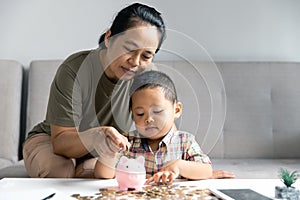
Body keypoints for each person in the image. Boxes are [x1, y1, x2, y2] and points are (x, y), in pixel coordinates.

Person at [23, 3, 166, 178]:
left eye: (146, 56)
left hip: (102, 151)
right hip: (53, 142)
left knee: (103, 174)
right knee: (59, 171)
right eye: (129, 49)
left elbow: (163, 127)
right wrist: (97, 135)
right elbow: (60, 142)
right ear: (109, 38)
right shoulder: (75, 69)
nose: (135, 62)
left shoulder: (148, 77)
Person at [94, 70, 214, 183]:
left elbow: (206, 170)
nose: (148, 119)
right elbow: (102, 174)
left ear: (176, 110)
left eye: (157, 111)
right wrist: (110, 152)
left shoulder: (185, 141)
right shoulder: (128, 142)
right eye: (140, 114)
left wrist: (179, 166)